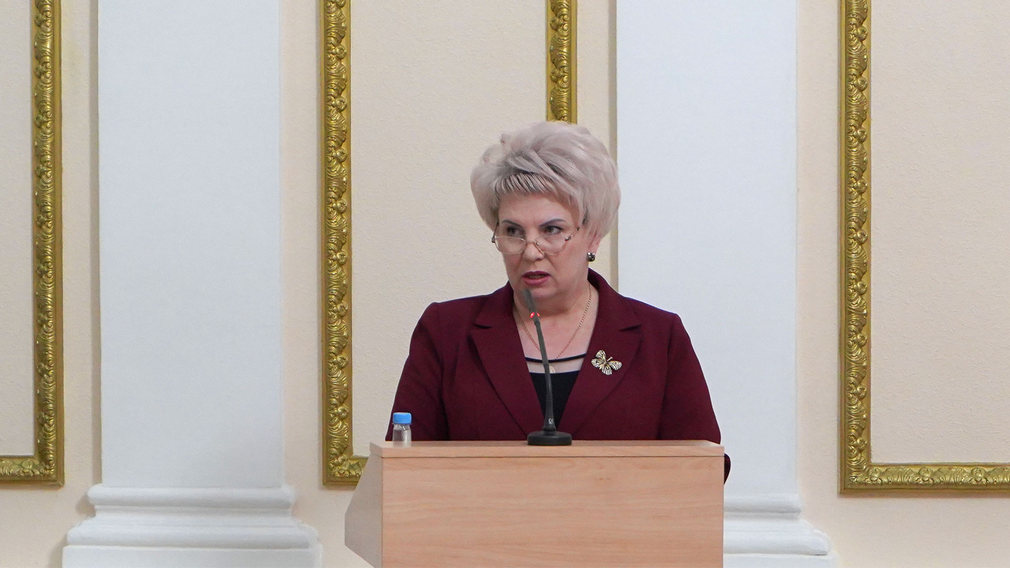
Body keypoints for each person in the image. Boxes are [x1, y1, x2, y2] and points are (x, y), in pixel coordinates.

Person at [386, 121, 727, 477]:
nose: (531, 251)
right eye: (513, 231)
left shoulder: (658, 338)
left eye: (551, 230)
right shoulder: (447, 333)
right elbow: (402, 472)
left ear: (593, 235)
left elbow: (702, 472)